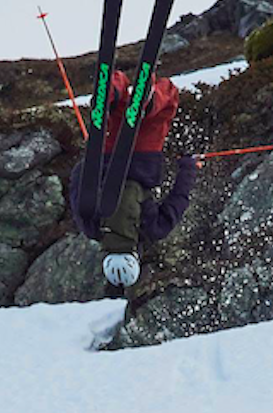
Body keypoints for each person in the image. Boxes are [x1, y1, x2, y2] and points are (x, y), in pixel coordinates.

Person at [68, 69, 199, 287]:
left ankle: (150, 101)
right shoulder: (91, 228)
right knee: (119, 112)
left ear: (137, 257)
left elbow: (180, 197)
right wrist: (89, 162)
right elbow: (77, 186)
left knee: (168, 101)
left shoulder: (151, 231)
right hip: (107, 155)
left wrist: (188, 166)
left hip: (145, 157)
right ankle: (113, 91)